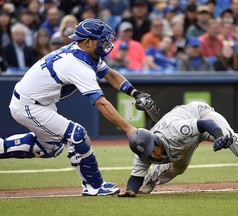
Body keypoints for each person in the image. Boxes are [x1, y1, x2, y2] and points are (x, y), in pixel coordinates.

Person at [0, 18, 159, 196]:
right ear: (88, 42)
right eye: (101, 40)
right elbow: (100, 102)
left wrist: (135, 93)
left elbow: (111, 75)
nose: (106, 44)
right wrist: (129, 129)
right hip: (29, 104)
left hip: (38, 102)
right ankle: (93, 186)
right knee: (76, 135)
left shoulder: (86, 53)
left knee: (50, 148)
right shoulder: (77, 64)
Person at [118, 101, 238, 197]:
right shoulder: (142, 154)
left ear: (155, 141)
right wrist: (130, 191)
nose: (151, 156)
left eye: (151, 151)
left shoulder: (175, 130)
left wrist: (218, 136)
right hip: (184, 143)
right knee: (178, 168)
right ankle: (152, 179)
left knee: (231, 138)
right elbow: (135, 177)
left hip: (201, 117)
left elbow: (205, 124)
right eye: (146, 154)